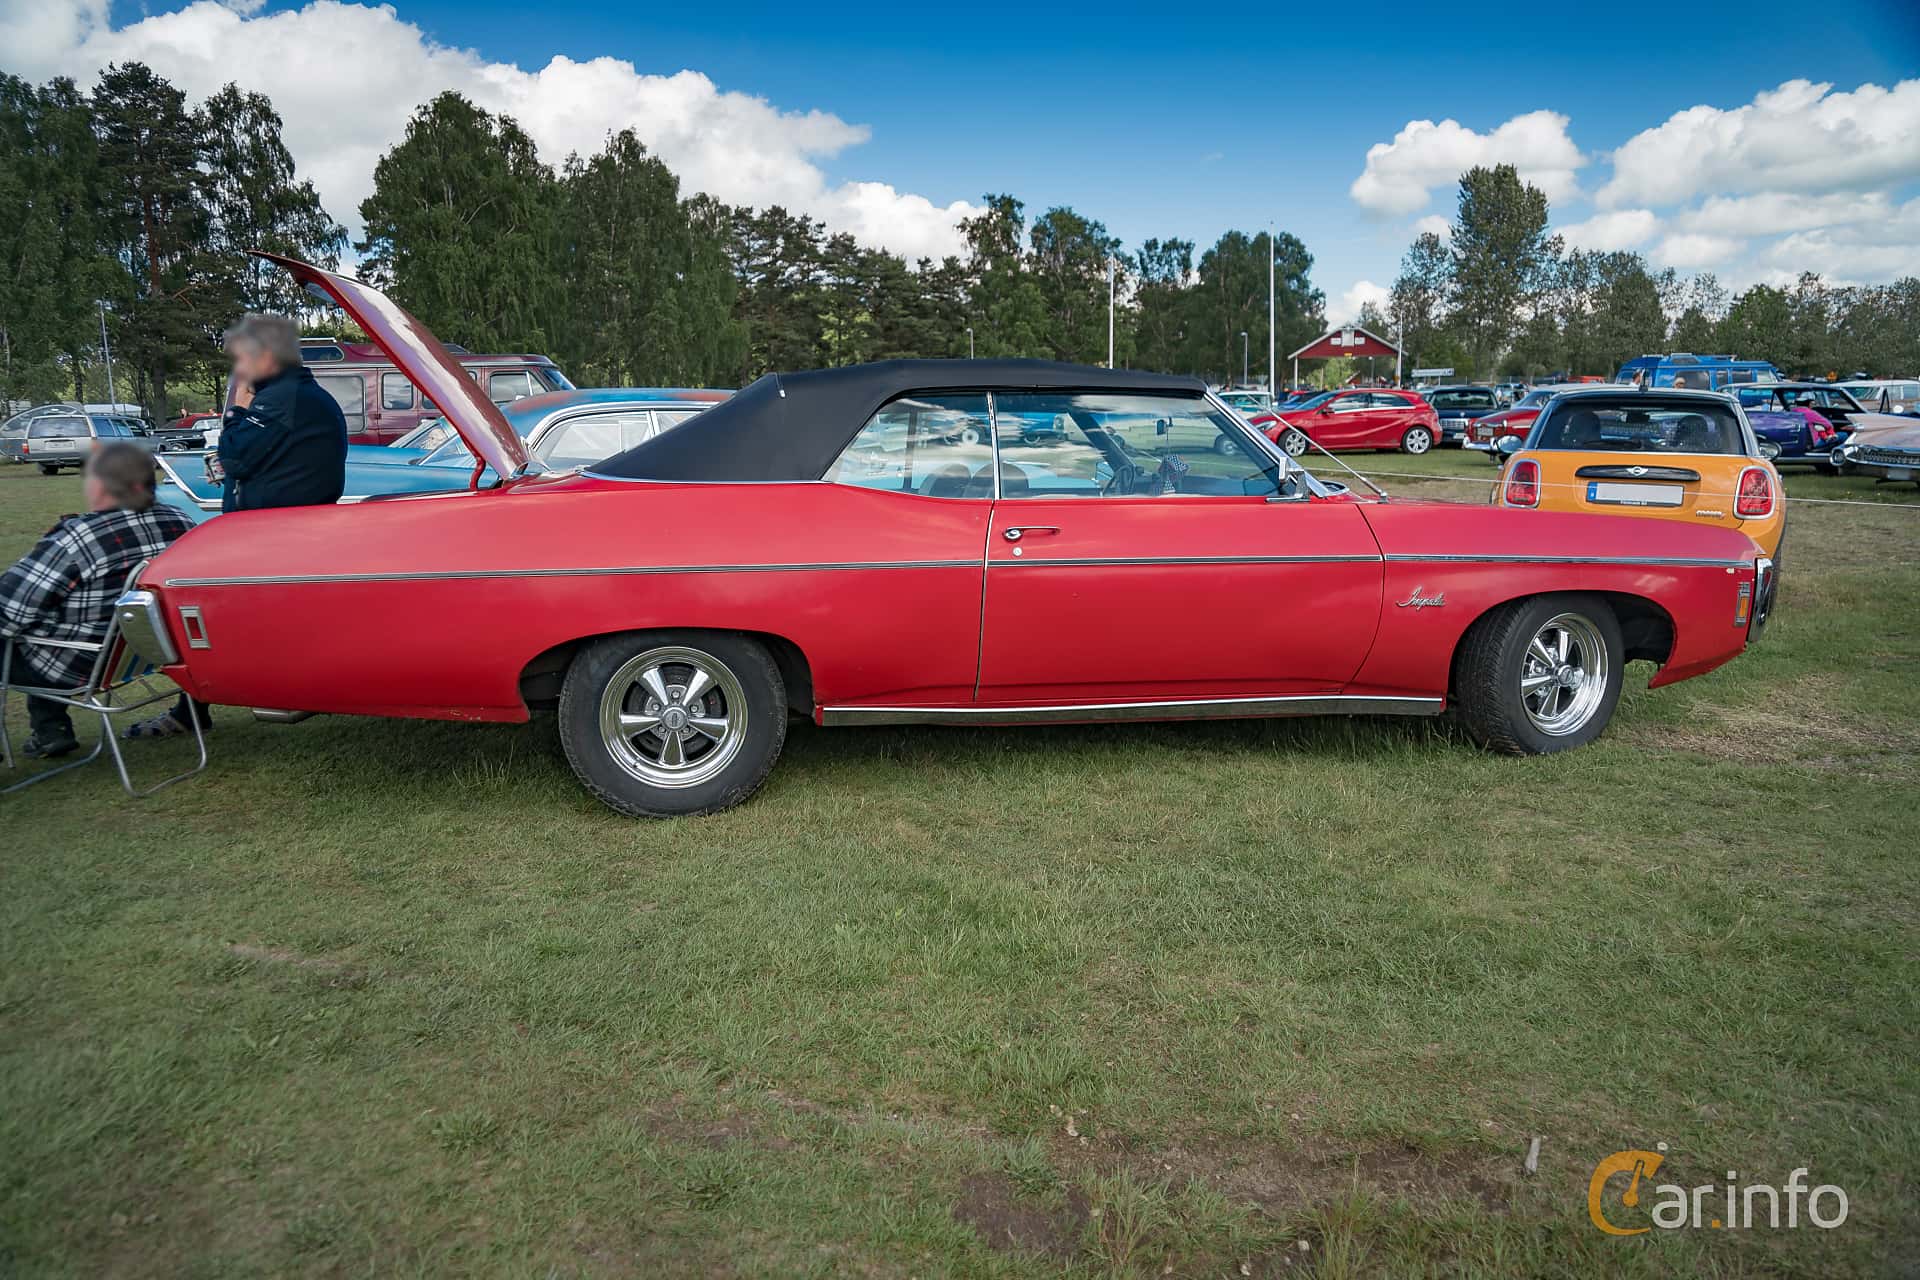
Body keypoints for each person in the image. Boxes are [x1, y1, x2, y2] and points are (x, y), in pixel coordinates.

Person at [126, 312, 348, 739]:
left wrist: (238, 409)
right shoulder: (301, 395)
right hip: (287, 529)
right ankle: (198, 708)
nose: (238, 370)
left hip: (270, 534)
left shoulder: (280, 399)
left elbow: (236, 456)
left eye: (242, 359)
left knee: (212, 616)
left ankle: (202, 708)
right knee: (244, 620)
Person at [1, 443, 197, 758]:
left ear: (100, 484)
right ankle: (50, 729)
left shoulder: (80, 539)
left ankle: (51, 728)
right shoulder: (181, 522)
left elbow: (10, 610)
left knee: (30, 628)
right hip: (149, 652)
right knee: (56, 618)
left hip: (80, 664)